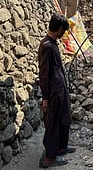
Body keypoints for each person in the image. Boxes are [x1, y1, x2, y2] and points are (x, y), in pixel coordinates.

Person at [38, 14, 76, 168]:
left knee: (63, 119)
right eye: (63, 31)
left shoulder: (52, 44)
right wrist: (46, 97)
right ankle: (50, 157)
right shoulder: (47, 46)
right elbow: (44, 74)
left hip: (60, 90)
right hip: (53, 93)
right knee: (53, 124)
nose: (63, 34)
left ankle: (61, 147)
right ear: (59, 29)